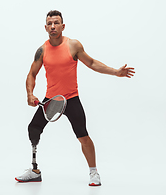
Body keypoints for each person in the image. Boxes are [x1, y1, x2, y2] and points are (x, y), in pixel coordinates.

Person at [15, 10, 135, 186]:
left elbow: (92, 63)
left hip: (71, 99)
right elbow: (32, 74)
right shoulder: (42, 50)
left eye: (56, 23)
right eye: (50, 23)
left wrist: (116, 72)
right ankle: (35, 171)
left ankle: (94, 172)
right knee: (33, 128)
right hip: (51, 100)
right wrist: (30, 94)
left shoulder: (73, 45)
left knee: (83, 135)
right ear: (45, 27)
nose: (53, 26)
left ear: (63, 26)